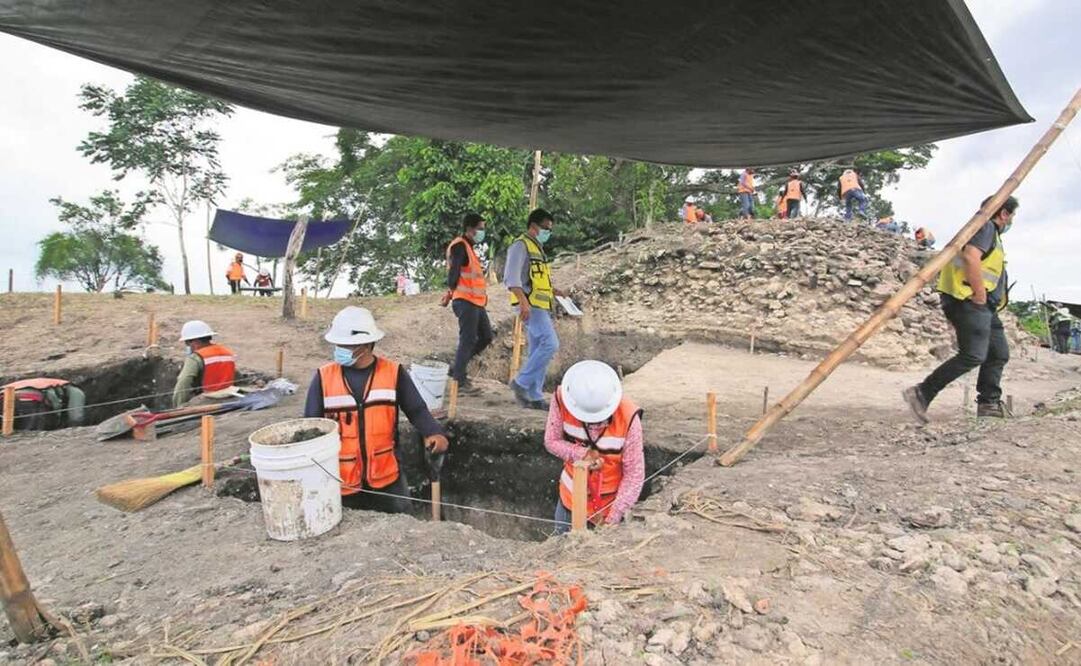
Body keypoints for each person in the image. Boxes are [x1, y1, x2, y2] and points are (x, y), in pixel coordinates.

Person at [304, 306, 448, 512]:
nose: (339, 349)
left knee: (400, 527)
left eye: (346, 345)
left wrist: (434, 432)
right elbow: (311, 425)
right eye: (338, 344)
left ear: (366, 345)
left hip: (387, 477)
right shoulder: (323, 378)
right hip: (340, 480)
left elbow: (416, 410)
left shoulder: (393, 373)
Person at [904, 196, 1018, 421]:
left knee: (998, 353)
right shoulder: (985, 226)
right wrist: (979, 293)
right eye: (1012, 216)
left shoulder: (989, 232)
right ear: (1004, 213)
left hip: (985, 307)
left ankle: (988, 404)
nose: (1011, 221)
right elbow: (971, 257)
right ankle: (921, 393)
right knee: (973, 354)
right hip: (968, 299)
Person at [545, 360, 644, 534]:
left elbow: (634, 474)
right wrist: (582, 454)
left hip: (609, 506)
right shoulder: (563, 398)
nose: (593, 425)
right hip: (570, 501)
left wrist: (613, 519)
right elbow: (552, 441)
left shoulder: (628, 417)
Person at [505, 208, 565, 410]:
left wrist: (555, 291)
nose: (548, 232)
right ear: (533, 226)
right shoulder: (520, 246)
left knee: (537, 350)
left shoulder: (537, 248)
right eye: (546, 228)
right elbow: (511, 278)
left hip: (540, 305)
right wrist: (523, 302)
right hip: (530, 306)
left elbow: (537, 279)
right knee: (550, 343)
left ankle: (534, 396)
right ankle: (521, 382)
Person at [442, 212, 493, 394]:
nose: (482, 232)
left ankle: (457, 367)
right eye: (480, 228)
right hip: (466, 302)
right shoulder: (460, 247)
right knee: (468, 339)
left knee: (486, 336)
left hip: (475, 302)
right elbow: (454, 273)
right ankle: (459, 379)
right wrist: (451, 291)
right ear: (470, 229)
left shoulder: (469, 248)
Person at [173, 320, 238, 407]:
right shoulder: (227, 352)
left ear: (196, 342)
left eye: (187, 343)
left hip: (209, 397)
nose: (188, 346)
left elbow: (184, 381)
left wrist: (178, 405)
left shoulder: (196, 357)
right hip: (230, 394)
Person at [0, 378, 85, 431]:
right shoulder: (75, 390)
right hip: (33, 399)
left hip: (4, 397)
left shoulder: (46, 383)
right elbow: (76, 415)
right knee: (31, 431)